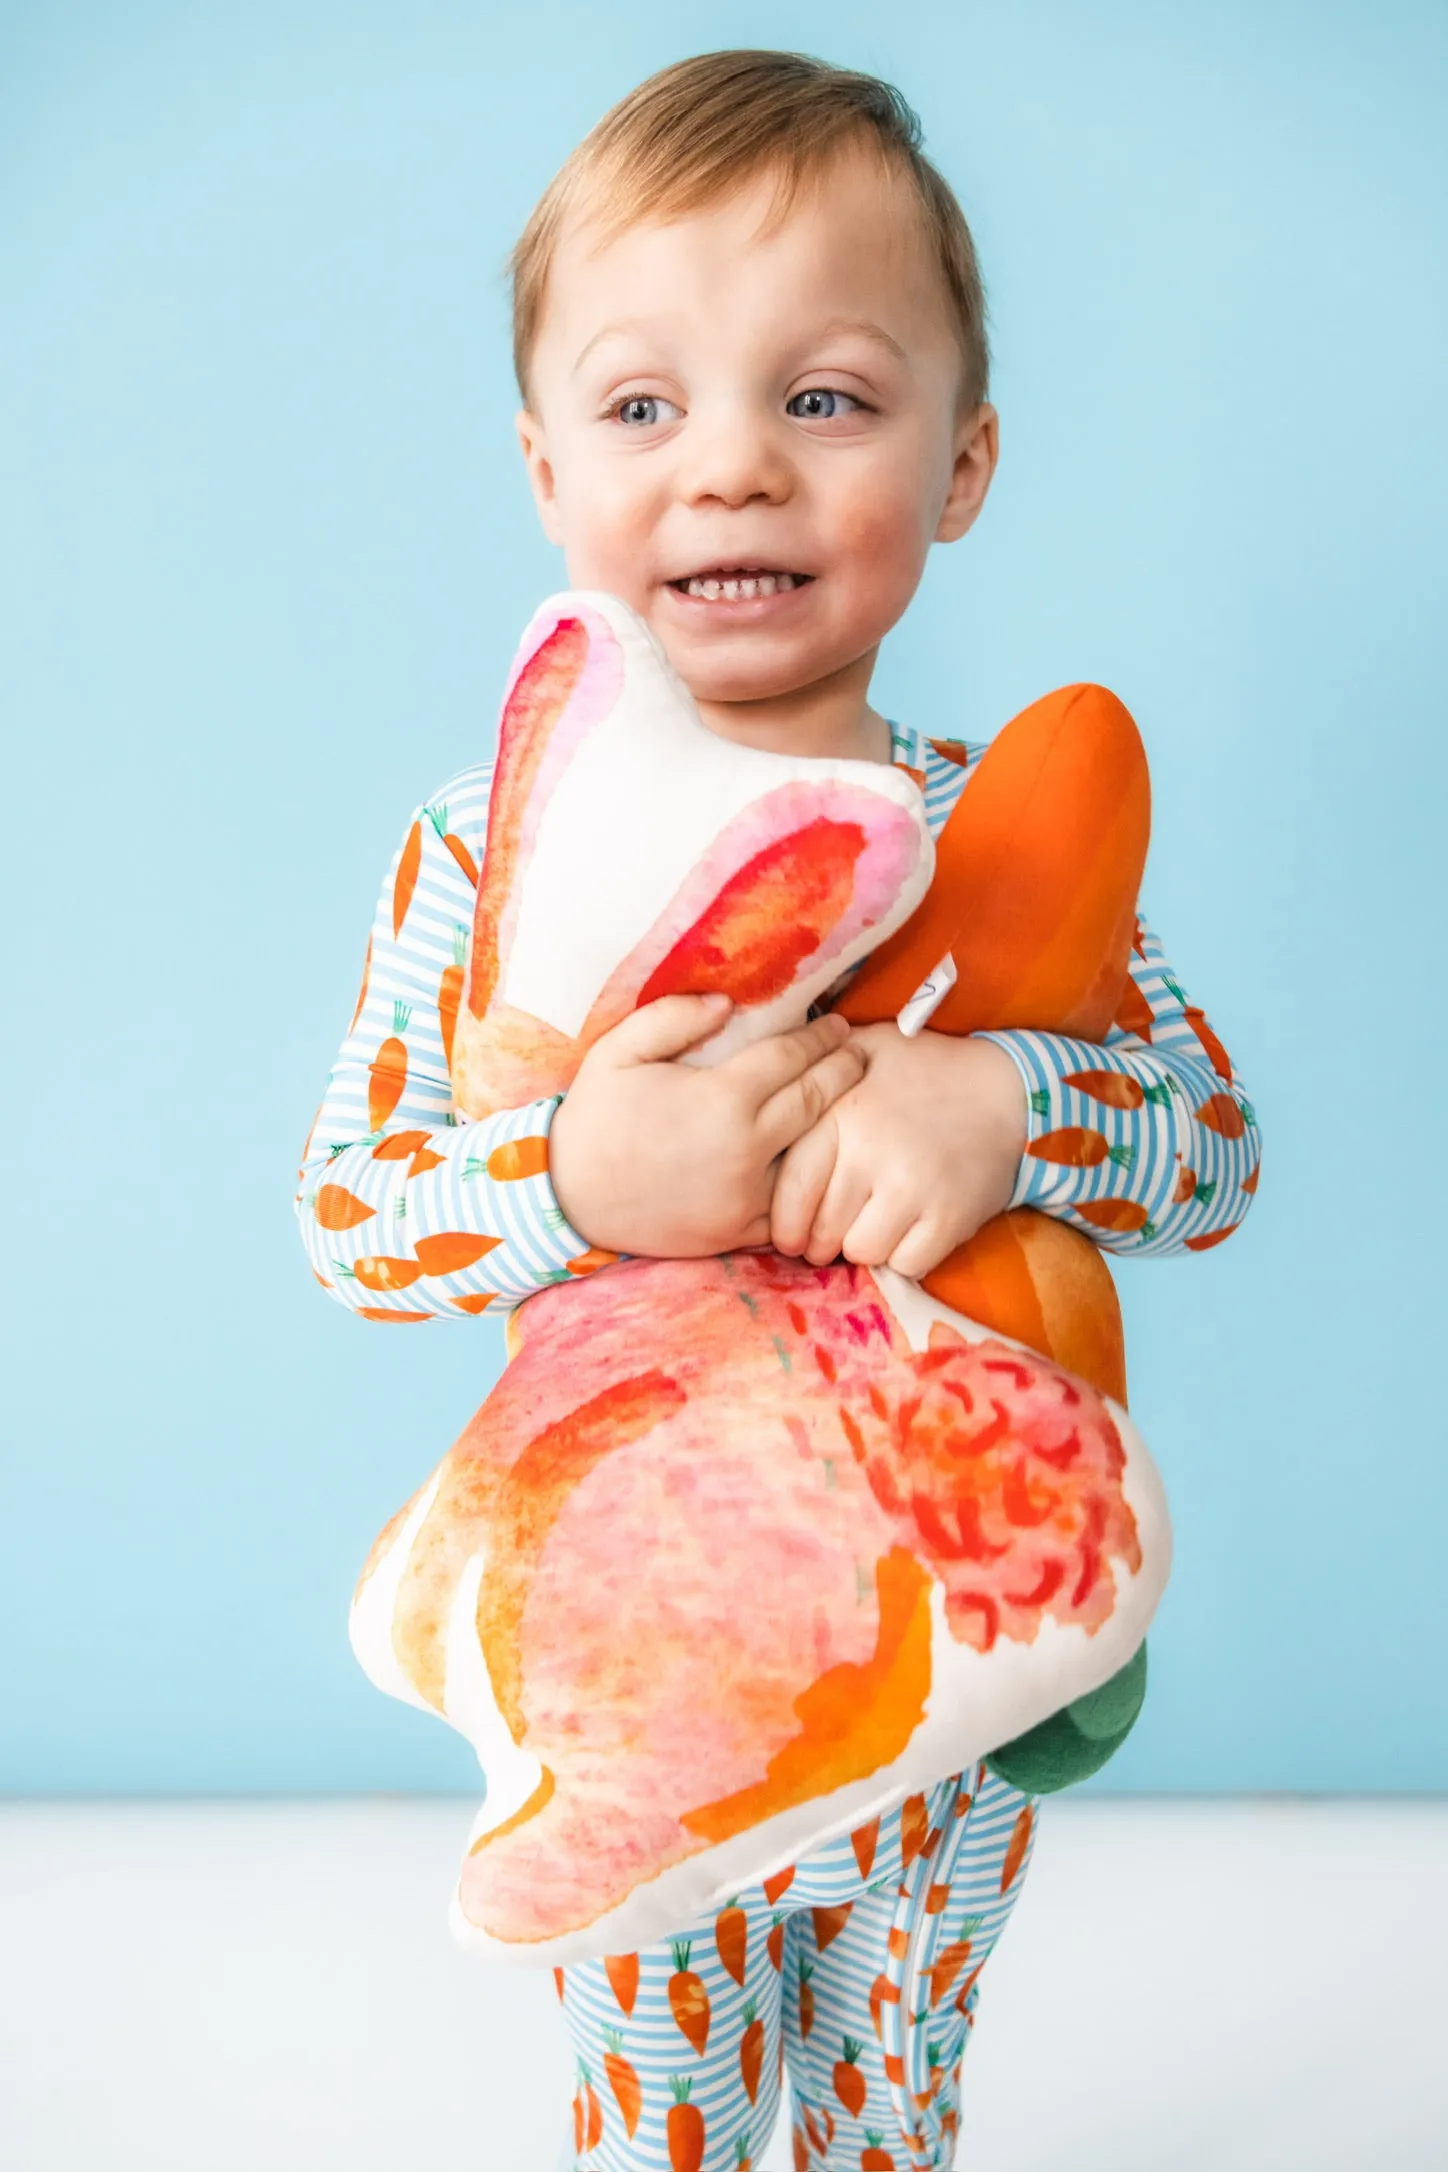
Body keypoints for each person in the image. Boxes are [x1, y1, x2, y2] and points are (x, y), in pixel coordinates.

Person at [294, 49, 1260, 2172]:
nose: (730, 470)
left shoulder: (997, 833)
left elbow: (1208, 1143)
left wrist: (1002, 1100)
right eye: (645, 408)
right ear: (546, 472)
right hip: (641, 1666)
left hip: (949, 1655)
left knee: (889, 2089)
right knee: (664, 2110)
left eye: (822, 399)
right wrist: (572, 1173)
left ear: (963, 456)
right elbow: (361, 1223)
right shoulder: (487, 857)